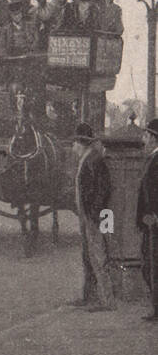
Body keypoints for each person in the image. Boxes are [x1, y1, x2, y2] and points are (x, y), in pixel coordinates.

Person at [69, 123, 114, 311]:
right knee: (88, 256)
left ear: (81, 143)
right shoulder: (87, 158)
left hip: (93, 216)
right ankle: (90, 296)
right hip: (86, 215)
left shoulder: (94, 159)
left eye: (74, 143)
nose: (72, 148)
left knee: (98, 257)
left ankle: (107, 301)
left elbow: (104, 188)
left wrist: (93, 212)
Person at [136, 119, 158, 322]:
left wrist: (154, 215)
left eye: (145, 135)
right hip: (148, 221)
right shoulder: (151, 158)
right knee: (148, 265)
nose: (143, 139)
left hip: (154, 223)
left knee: (153, 265)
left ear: (152, 138)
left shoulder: (156, 159)